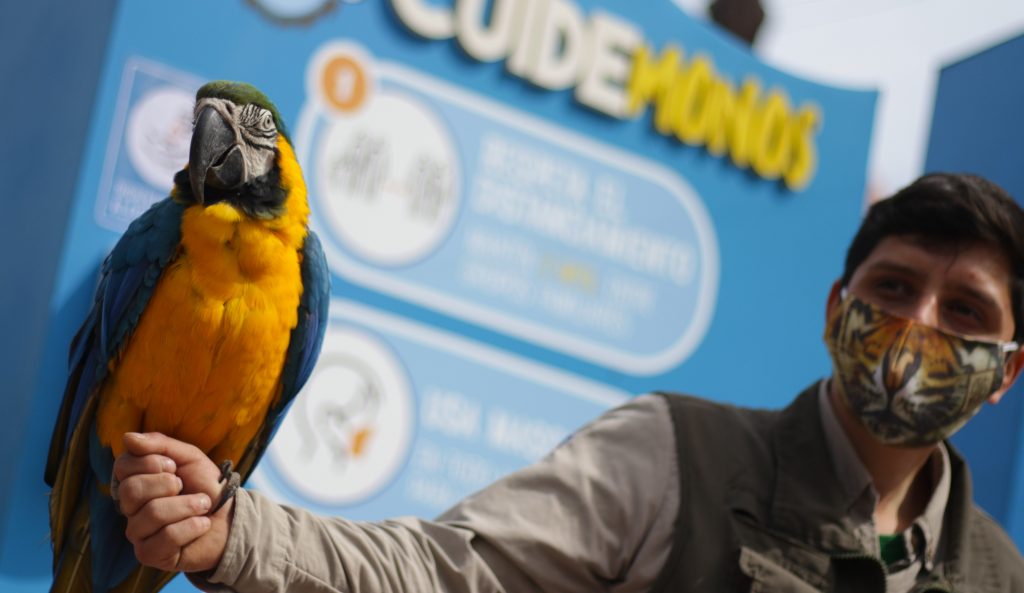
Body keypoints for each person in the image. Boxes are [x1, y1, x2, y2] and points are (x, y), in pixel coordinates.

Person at [114, 172, 1024, 592]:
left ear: (1005, 374)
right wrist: (236, 531)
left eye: (969, 312)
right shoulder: (677, 454)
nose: (920, 329)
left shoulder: (999, 574)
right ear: (836, 307)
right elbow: (445, 572)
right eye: (895, 288)